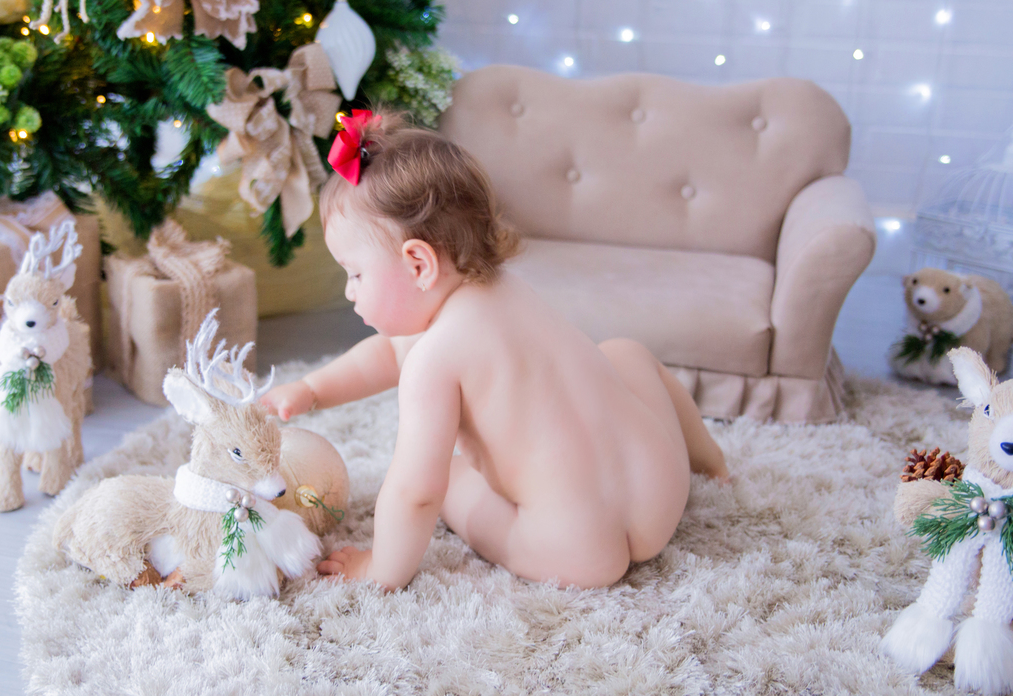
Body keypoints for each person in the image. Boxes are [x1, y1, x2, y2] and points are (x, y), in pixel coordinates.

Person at [260, 110, 728, 590]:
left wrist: (379, 567)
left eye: (355, 273)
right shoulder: (505, 288)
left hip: (576, 548)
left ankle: (402, 560)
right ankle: (711, 462)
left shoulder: (433, 360)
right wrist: (312, 388)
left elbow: (415, 492)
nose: (349, 291)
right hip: (660, 491)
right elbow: (388, 352)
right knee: (625, 352)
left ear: (419, 263)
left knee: (450, 482)